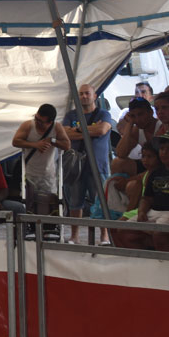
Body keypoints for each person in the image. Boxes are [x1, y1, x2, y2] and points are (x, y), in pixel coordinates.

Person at [112, 131, 169, 251]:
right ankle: (145, 262)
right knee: (124, 230)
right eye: (162, 149)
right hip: (154, 212)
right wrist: (141, 212)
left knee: (160, 233)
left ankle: (166, 264)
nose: (164, 153)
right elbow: (147, 198)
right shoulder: (156, 172)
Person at [62, 83, 113, 243]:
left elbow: (102, 130)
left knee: (101, 202)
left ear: (94, 96)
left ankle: (104, 236)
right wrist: (89, 130)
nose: (84, 96)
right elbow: (65, 133)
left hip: (98, 166)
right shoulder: (71, 115)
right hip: (76, 167)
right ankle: (74, 236)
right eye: (81, 93)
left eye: (87, 93)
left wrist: (76, 130)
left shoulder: (103, 114)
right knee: (75, 202)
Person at [11, 104, 70, 209]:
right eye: (36, 119)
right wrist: (35, 145)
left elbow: (67, 145)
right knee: (29, 203)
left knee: (47, 204)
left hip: (48, 174)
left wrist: (52, 140)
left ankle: (47, 224)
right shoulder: (28, 125)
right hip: (30, 173)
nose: (37, 123)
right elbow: (15, 141)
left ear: (50, 123)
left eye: (41, 122)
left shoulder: (56, 127)